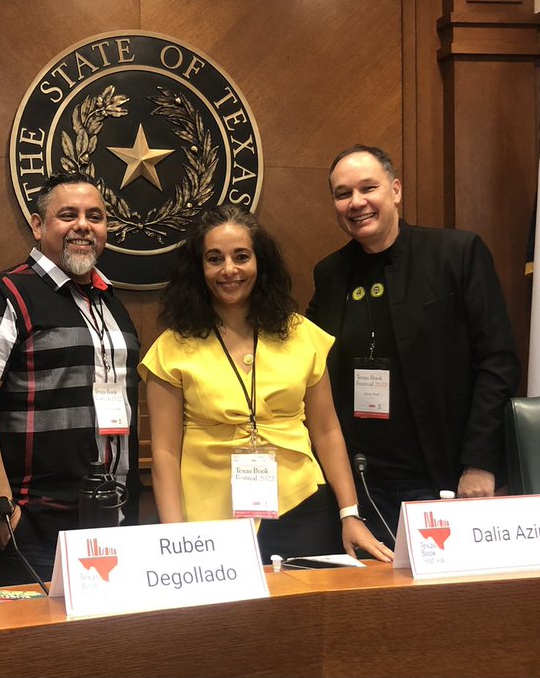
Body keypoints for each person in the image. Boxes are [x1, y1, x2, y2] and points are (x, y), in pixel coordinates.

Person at [140, 204, 392, 563]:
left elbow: (326, 431)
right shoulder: (171, 348)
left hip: (300, 502)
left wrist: (349, 513)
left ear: (261, 263)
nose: (229, 270)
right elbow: (164, 452)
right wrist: (175, 536)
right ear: (199, 268)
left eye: (241, 256)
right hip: (208, 516)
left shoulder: (302, 335)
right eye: (214, 258)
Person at [307, 144, 521, 546]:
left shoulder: (456, 255)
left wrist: (480, 462)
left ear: (396, 190)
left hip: (449, 475)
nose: (356, 203)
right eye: (342, 194)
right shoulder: (331, 274)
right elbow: (307, 366)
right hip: (364, 481)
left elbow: (498, 362)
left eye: (368, 188)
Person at [0, 172, 140, 585]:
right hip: (34, 525)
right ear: (38, 226)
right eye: (67, 215)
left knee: (108, 647)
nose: (83, 226)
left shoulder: (112, 304)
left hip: (115, 519)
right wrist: (4, 514)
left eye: (96, 216)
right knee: (38, 650)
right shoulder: (2, 296)